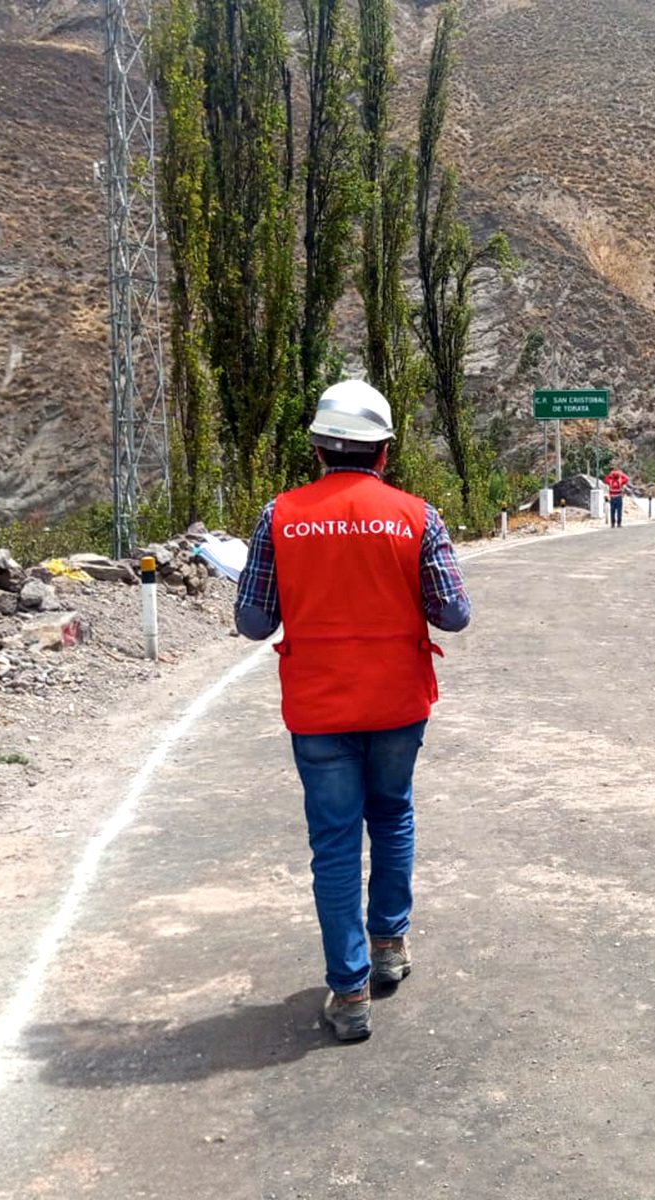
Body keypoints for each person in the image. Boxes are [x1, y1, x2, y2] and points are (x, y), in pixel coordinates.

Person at [234, 379, 471, 1042]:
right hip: (398, 701)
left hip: (318, 706)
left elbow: (254, 622)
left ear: (315, 450)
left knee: (334, 841)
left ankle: (351, 990)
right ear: (384, 454)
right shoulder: (418, 518)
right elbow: (454, 613)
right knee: (391, 813)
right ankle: (390, 947)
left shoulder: (280, 516)